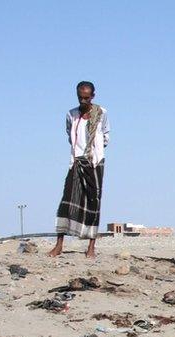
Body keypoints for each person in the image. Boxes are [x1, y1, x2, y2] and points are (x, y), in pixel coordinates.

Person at [48, 81, 110, 259]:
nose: (83, 101)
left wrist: (95, 152)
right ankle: (59, 245)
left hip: (94, 163)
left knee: (93, 202)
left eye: (86, 98)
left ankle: (91, 247)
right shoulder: (71, 114)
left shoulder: (101, 113)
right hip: (76, 162)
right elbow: (70, 135)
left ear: (92, 97)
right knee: (67, 201)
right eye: (80, 98)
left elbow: (106, 136)